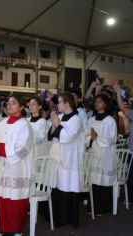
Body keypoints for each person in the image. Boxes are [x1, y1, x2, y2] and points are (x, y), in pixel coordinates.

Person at [0, 95, 34, 236]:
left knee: (16, 199)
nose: (9, 105)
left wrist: (0, 148)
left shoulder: (25, 125)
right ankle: (2, 227)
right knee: (2, 197)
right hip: (3, 167)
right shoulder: (2, 123)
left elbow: (22, 149)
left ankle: (16, 230)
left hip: (17, 168)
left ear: (21, 107)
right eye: (8, 103)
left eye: (13, 103)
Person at [48, 93, 85, 228]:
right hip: (59, 157)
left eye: (59, 102)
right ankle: (59, 217)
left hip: (70, 159)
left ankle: (68, 219)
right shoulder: (61, 116)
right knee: (58, 186)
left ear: (67, 104)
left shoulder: (76, 119)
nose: (57, 105)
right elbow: (52, 135)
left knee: (68, 186)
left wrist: (57, 125)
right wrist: (53, 125)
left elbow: (67, 137)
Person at [86, 94, 117, 215]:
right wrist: (92, 139)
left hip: (106, 155)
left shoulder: (110, 120)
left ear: (106, 104)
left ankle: (103, 208)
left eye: (100, 101)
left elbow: (112, 139)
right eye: (96, 101)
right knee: (94, 180)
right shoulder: (91, 120)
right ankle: (92, 207)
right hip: (94, 152)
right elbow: (86, 135)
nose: (97, 103)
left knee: (103, 180)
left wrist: (96, 137)